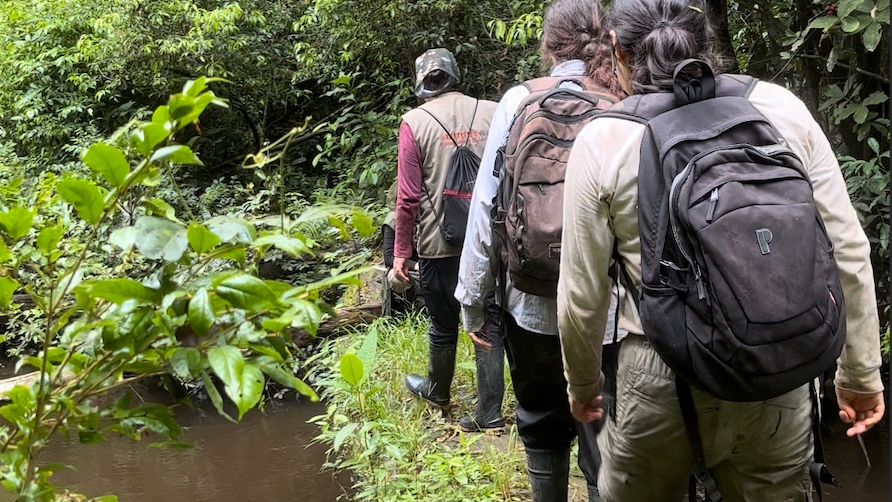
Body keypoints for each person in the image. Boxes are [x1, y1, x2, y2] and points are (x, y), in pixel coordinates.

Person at [557, 1, 886, 501]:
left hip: (658, 371)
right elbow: (846, 249)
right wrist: (860, 373)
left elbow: (582, 296)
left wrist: (583, 386)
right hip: (778, 359)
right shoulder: (779, 108)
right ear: (704, 43)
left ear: (618, 53)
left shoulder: (605, 139)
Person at [454, 1, 626, 500]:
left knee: (540, 423)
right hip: (608, 309)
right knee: (603, 431)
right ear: (606, 39)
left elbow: (488, 205)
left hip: (530, 302)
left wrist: (471, 299)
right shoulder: (619, 99)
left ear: (548, 45)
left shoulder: (518, 100)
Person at [394, 49, 504, 430]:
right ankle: (490, 412)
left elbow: (408, 196)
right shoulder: (493, 111)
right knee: (488, 320)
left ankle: (438, 391)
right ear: (455, 76)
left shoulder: (414, 122)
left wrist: (400, 254)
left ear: (422, 83)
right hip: (491, 241)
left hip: (440, 245)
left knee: (443, 323)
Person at [381, 181, 421, 317]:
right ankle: (407, 311)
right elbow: (389, 257)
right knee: (397, 279)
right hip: (409, 271)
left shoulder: (431, 216)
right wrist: (416, 266)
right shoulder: (393, 219)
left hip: (435, 269)